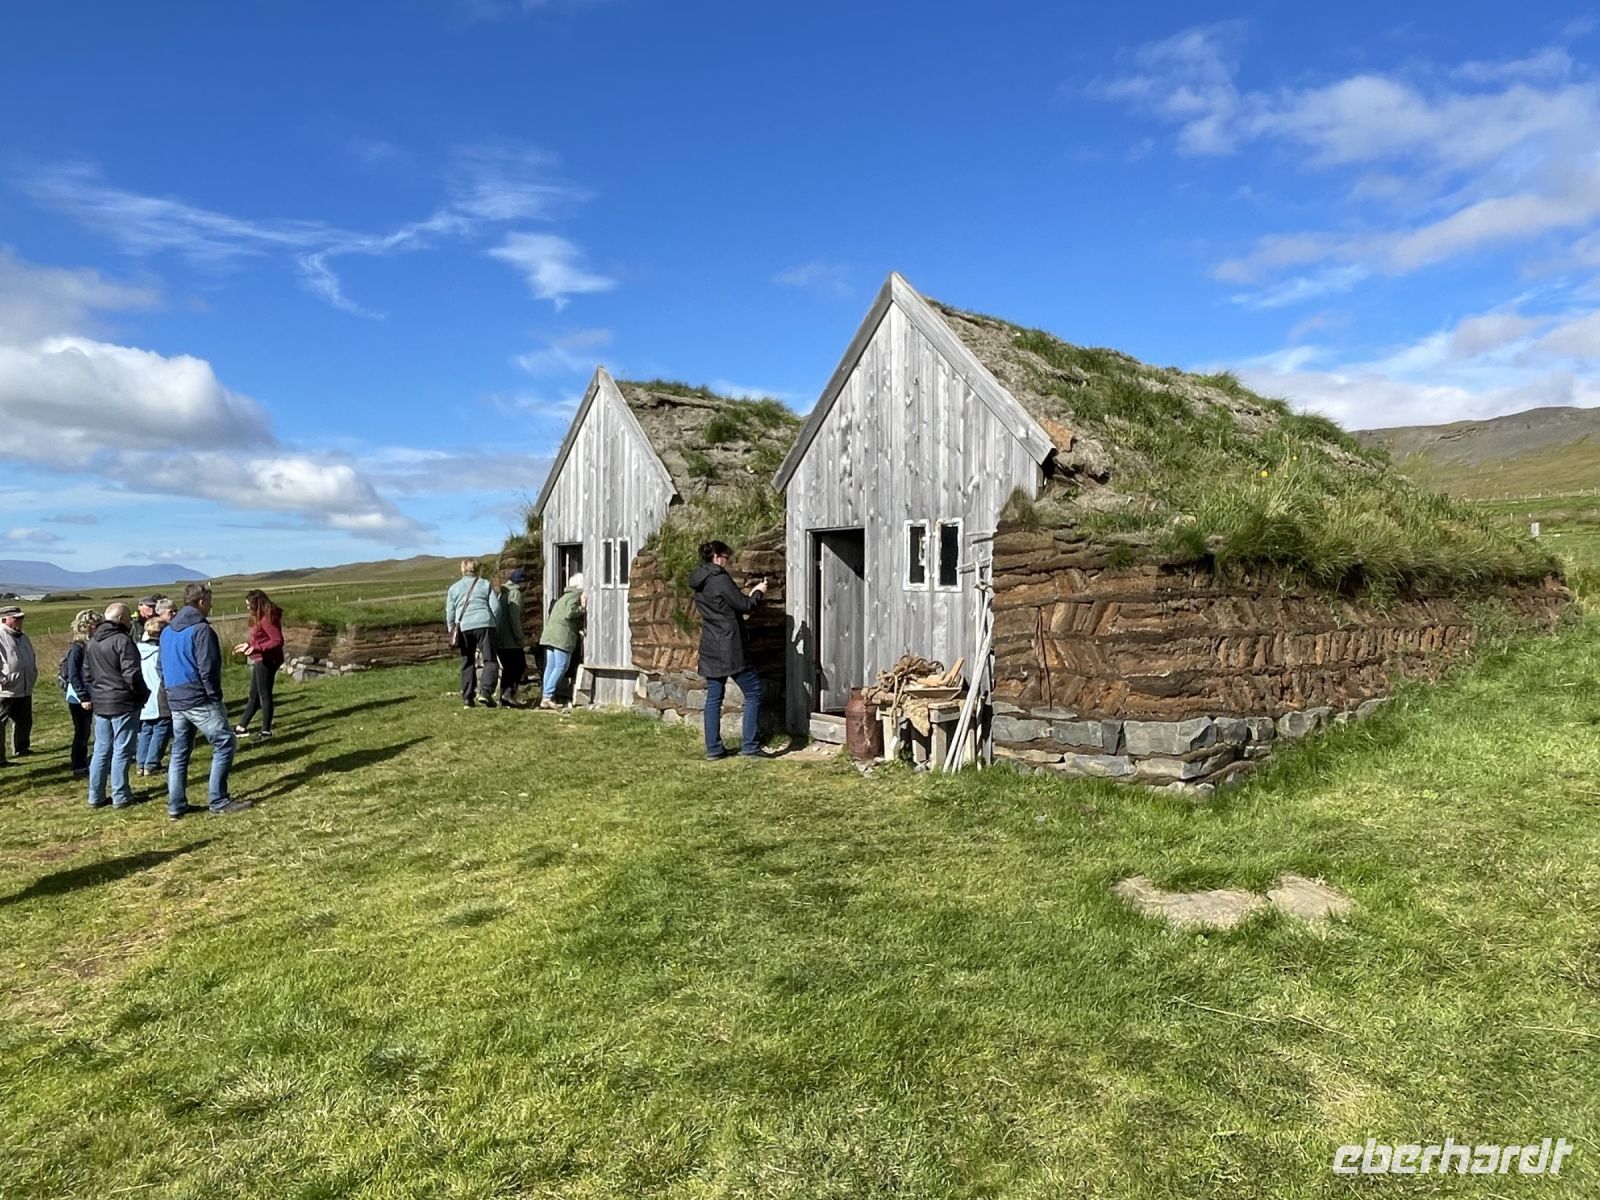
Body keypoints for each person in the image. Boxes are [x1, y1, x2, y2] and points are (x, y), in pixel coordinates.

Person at [162, 582, 248, 818]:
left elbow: (162, 666)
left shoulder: (167, 631)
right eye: (210, 601)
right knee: (225, 742)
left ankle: (176, 804)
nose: (211, 606)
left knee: (180, 750)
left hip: (176, 698)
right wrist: (214, 695)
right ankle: (218, 799)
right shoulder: (201, 630)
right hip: (199, 698)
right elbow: (207, 667)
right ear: (201, 602)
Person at [688, 540, 769, 759]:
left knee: (714, 697)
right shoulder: (719, 579)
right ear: (716, 557)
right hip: (730, 646)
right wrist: (757, 592)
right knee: (753, 692)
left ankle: (713, 749)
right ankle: (750, 745)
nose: (727, 562)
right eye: (726, 557)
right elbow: (744, 605)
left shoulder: (698, 580)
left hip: (711, 645)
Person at [83, 602, 150, 809]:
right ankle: (121, 795)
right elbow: (132, 673)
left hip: (101, 701)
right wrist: (142, 693)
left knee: (101, 749)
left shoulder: (92, 642)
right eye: (129, 617)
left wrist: (97, 692)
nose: (131, 621)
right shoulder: (122, 640)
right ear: (120, 619)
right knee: (122, 749)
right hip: (123, 701)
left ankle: (95, 796)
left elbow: (86, 673)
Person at [445, 559, 501, 708]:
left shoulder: (454, 588)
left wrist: (452, 629)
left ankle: (467, 698)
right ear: (477, 569)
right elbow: (495, 607)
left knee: (467, 661)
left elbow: (450, 612)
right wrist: (495, 624)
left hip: (463, 626)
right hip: (485, 624)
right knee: (490, 659)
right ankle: (486, 692)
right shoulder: (484, 584)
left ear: (463, 570)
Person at [233, 589, 284, 738]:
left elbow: (277, 640)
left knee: (264, 695)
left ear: (258, 604)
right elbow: (258, 638)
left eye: (250, 605)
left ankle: (266, 731)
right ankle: (241, 727)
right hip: (261, 658)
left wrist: (256, 648)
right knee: (254, 695)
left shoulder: (267, 619)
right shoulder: (260, 617)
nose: (248, 608)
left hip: (268, 660)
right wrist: (247, 645)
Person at [538, 572, 586, 710]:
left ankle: (544, 696)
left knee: (551, 667)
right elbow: (569, 613)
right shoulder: (575, 596)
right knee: (561, 666)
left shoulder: (564, 596)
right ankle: (547, 696)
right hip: (561, 637)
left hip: (550, 635)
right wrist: (582, 608)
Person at [61, 609, 99, 780]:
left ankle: (90, 761)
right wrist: (83, 696)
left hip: (91, 693)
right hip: (79, 697)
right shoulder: (77, 648)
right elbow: (73, 674)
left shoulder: (90, 645)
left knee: (91, 730)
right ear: (87, 627)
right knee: (82, 732)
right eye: (96, 625)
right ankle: (78, 765)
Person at [0, 604, 39, 766]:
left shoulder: (22, 636)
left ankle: (22, 747)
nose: (20, 621)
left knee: (24, 720)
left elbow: (31, 655)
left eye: (21, 618)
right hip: (5, 690)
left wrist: (33, 672)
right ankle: (1, 759)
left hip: (24, 686)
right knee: (0, 724)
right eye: (16, 618)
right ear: (4, 619)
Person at [135, 617, 172, 777]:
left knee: (146, 729)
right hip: (158, 693)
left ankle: (140, 763)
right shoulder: (160, 653)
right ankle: (152, 763)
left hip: (142, 694)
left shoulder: (135, 650)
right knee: (161, 726)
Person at [493, 568, 527, 707]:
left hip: (500, 637)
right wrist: (520, 636)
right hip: (511, 640)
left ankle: (503, 697)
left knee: (507, 668)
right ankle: (509, 693)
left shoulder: (502, 594)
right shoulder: (515, 593)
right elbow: (514, 617)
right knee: (519, 666)